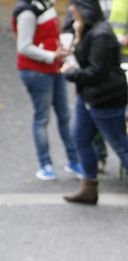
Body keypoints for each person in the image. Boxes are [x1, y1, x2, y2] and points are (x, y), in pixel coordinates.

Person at [62, 0, 128, 209]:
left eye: (74, 9)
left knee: (121, 144)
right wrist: (77, 37)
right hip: (88, 96)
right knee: (80, 138)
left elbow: (96, 72)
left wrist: (71, 73)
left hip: (106, 97)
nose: (70, 12)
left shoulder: (101, 35)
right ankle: (89, 186)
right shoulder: (88, 31)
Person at [12, 0, 83, 181]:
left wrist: (60, 52)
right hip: (36, 72)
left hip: (54, 68)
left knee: (64, 115)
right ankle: (45, 164)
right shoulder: (28, 12)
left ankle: (74, 160)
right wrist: (51, 56)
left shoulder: (46, 6)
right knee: (42, 118)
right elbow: (24, 47)